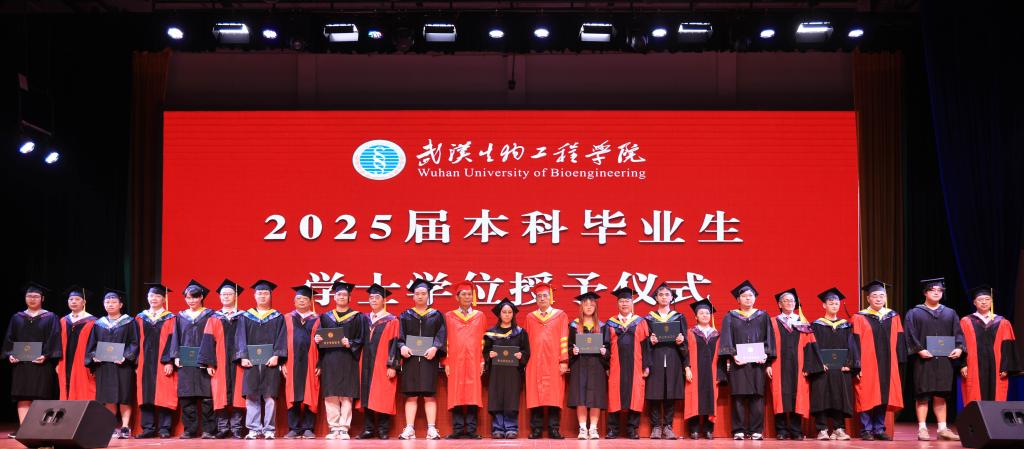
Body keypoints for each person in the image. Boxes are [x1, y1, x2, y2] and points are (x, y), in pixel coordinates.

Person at [905, 278, 965, 441]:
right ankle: (922, 429)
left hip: (944, 360)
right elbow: (909, 334)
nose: (937, 292)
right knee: (922, 395)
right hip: (923, 360)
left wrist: (959, 348)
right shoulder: (914, 313)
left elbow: (958, 333)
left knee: (941, 395)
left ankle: (942, 429)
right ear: (925, 292)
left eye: (940, 290)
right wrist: (919, 350)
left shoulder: (950, 313)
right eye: (932, 290)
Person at [719, 280, 775, 440]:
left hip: (757, 363)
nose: (748, 298)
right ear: (738, 299)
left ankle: (756, 430)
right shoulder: (730, 316)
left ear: (755, 298)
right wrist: (733, 355)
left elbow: (769, 338)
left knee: (757, 396)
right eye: (744, 296)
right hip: (738, 362)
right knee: (738, 396)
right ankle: (738, 430)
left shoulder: (763, 316)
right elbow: (726, 338)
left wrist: (766, 355)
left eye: (750, 295)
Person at [4, 282, 61, 438]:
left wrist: (46, 355)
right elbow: (9, 339)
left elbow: (54, 338)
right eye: (29, 296)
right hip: (21, 364)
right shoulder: (17, 317)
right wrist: (10, 354)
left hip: (42, 364)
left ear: (42, 298)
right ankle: (23, 430)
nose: (32, 299)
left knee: (41, 396)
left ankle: (40, 430)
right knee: (22, 396)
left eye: (36, 296)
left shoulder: (50, 317)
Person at [851, 280, 905, 441]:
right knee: (866, 395)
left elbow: (900, 340)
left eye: (882, 295)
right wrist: (856, 365)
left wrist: (899, 362)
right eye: (874, 296)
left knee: (884, 395)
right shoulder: (859, 317)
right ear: (868, 299)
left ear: (886, 298)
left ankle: (879, 428)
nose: (878, 298)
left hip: (888, 363)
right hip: (867, 363)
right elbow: (854, 343)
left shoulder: (893, 316)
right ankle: (866, 429)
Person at [235, 280, 288, 440]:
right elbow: (240, 338)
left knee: (270, 396)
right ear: (254, 295)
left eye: (266, 293)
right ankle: (254, 429)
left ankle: (269, 429)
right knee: (251, 395)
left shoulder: (277, 317)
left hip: (270, 362)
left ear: (270, 296)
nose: (263, 296)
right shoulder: (245, 317)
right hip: (251, 361)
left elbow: (282, 338)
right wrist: (243, 356)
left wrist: (277, 355)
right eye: (260, 293)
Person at [313, 281, 366, 440]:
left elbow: (362, 339)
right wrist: (317, 339)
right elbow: (320, 337)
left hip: (348, 359)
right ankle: (334, 427)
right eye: (339, 294)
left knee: (346, 394)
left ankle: (344, 428)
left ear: (349, 298)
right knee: (331, 394)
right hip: (329, 359)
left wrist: (351, 343)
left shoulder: (357, 317)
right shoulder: (325, 317)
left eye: (344, 295)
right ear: (334, 297)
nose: (341, 297)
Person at [396, 278, 447, 440]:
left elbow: (441, 335)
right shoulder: (405, 315)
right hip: (410, 359)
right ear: (413, 296)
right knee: (411, 395)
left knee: (428, 395)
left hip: (428, 359)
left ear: (428, 295)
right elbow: (399, 337)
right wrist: (402, 347)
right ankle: (409, 428)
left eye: (423, 293)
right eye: (417, 293)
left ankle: (431, 429)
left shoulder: (436, 315)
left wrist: (435, 348)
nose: (420, 296)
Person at [768, 288, 822, 440]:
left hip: (799, 366)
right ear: (780, 304)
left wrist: (809, 366)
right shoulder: (772, 322)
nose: (789, 303)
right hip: (778, 365)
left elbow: (810, 345)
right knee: (779, 396)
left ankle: (796, 430)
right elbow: (768, 344)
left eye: (792, 301)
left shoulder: (802, 322)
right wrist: (768, 364)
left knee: (798, 396)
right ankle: (781, 430)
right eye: (786, 301)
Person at [85, 289, 138, 439]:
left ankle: (125, 426)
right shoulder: (99, 324)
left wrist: (126, 357)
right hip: (105, 366)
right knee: (108, 397)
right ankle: (111, 426)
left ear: (120, 305)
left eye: (114, 302)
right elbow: (92, 345)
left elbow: (134, 343)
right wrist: (94, 356)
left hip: (123, 365)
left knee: (124, 396)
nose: (110, 304)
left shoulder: (129, 322)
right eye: (107, 302)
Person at [198, 279, 246, 439]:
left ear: (235, 296)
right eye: (223, 294)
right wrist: (209, 363)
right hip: (219, 362)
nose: (226, 296)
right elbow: (207, 341)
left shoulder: (244, 317)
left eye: (229, 294)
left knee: (238, 395)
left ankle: (237, 428)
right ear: (219, 297)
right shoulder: (213, 318)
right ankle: (223, 428)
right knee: (220, 394)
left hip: (239, 361)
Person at [169, 280, 217, 439]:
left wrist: (210, 360)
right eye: (188, 298)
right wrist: (175, 355)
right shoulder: (180, 316)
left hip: (204, 360)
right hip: (186, 360)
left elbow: (213, 339)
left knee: (207, 397)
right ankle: (190, 429)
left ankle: (209, 430)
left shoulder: (211, 315)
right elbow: (176, 337)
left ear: (201, 297)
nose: (191, 300)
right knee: (187, 397)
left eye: (194, 297)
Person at [810, 288, 858, 441]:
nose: (834, 305)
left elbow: (852, 346)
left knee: (839, 397)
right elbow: (812, 346)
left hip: (840, 368)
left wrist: (849, 363)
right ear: (824, 305)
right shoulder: (816, 325)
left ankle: (839, 429)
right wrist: (818, 363)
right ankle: (822, 429)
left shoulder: (846, 325)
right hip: (823, 369)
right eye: (831, 303)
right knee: (821, 397)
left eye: (836, 303)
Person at [959, 285, 1020, 404]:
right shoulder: (966, 321)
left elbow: (1008, 347)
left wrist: (1005, 367)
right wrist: (963, 364)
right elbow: (961, 344)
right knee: (974, 394)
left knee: (997, 396)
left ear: (992, 302)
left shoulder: (1002, 322)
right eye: (980, 300)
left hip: (996, 367)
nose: (984, 302)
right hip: (973, 366)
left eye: (987, 299)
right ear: (974, 303)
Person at [523, 282, 569, 439]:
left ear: (551, 298)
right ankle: (536, 429)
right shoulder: (530, 317)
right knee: (535, 395)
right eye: (539, 296)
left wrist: (564, 360)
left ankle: (553, 429)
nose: (542, 298)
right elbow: (525, 342)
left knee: (554, 396)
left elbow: (564, 338)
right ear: (536, 299)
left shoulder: (560, 315)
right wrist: (525, 361)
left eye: (545, 296)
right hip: (534, 362)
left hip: (554, 361)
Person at [643, 282, 688, 440]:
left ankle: (668, 426)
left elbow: (685, 340)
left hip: (673, 358)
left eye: (667, 294)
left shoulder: (679, 317)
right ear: (656, 298)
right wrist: (650, 341)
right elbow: (643, 340)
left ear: (671, 298)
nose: (664, 297)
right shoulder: (648, 318)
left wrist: (681, 340)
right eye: (660, 295)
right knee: (654, 392)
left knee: (670, 392)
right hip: (655, 358)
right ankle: (656, 427)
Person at [355, 283, 401, 440]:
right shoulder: (364, 319)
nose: (373, 300)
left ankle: (383, 429)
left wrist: (392, 365)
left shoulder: (392, 320)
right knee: (366, 394)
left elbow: (395, 343)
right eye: (371, 297)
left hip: (382, 364)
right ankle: (368, 429)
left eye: (377, 297)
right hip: (365, 363)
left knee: (383, 394)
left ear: (384, 300)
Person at [443, 281, 486, 439]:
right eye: (463, 294)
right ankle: (458, 429)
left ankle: (472, 430)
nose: (467, 297)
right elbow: (445, 341)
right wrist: (446, 362)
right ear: (457, 297)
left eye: (469, 294)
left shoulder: (480, 316)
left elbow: (483, 341)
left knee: (472, 394)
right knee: (457, 394)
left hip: (474, 361)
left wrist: (482, 360)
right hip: (455, 361)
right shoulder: (449, 316)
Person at [482, 298, 530, 439]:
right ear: (499, 314)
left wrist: (521, 355)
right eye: (504, 312)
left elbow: (526, 351)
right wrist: (489, 355)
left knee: (511, 398)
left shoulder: (520, 332)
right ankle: (497, 428)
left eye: (510, 312)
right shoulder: (491, 333)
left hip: (513, 372)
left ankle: (511, 428)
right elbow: (485, 352)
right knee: (496, 398)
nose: (507, 314)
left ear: (513, 314)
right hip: (496, 372)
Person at [135, 283, 177, 439]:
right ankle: (148, 428)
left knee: (164, 394)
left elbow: (173, 341)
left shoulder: (171, 318)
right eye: (151, 296)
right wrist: (135, 361)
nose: (154, 298)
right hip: (144, 362)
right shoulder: (140, 317)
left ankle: (164, 428)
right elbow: (135, 341)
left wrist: (169, 361)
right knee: (145, 394)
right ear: (147, 298)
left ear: (164, 299)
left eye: (158, 296)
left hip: (162, 362)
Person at [605, 287, 648, 440]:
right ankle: (613, 429)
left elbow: (646, 345)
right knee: (614, 395)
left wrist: (646, 366)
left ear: (632, 303)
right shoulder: (610, 323)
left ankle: (632, 429)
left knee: (635, 395)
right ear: (617, 304)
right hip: (615, 365)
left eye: (627, 301)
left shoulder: (640, 322)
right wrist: (606, 366)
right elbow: (605, 346)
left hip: (636, 364)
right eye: (621, 301)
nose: (624, 304)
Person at [568, 292, 610, 440]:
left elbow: (608, 347)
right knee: (580, 396)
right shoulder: (573, 326)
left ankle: (593, 428)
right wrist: (572, 351)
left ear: (595, 307)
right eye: (585, 304)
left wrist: (605, 352)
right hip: (579, 364)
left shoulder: (603, 326)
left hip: (597, 364)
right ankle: (582, 428)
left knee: (595, 397)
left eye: (592, 305)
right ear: (581, 307)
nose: (589, 307)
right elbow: (568, 346)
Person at [683, 298, 725, 440]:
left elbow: (721, 357)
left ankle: (708, 430)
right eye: (701, 313)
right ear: (696, 316)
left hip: (712, 372)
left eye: (707, 313)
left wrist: (720, 374)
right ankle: (694, 429)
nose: (705, 315)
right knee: (693, 399)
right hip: (694, 371)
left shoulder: (717, 335)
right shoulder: (690, 333)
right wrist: (687, 368)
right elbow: (685, 352)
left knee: (710, 399)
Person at [283, 285, 319, 439]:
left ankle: (308, 428)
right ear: (294, 301)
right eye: (299, 298)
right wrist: (282, 362)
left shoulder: (318, 319)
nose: (302, 301)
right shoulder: (287, 318)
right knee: (292, 394)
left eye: (305, 298)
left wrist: (320, 364)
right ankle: (294, 428)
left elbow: (324, 344)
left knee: (311, 393)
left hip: (312, 362)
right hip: (291, 362)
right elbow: (280, 342)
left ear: (310, 301)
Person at [57, 285, 96, 402]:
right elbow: (58, 344)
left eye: (77, 299)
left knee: (84, 388)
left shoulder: (93, 321)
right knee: (66, 387)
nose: (73, 301)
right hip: (65, 362)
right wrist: (58, 363)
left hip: (84, 363)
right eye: (71, 299)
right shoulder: (63, 321)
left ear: (84, 302)